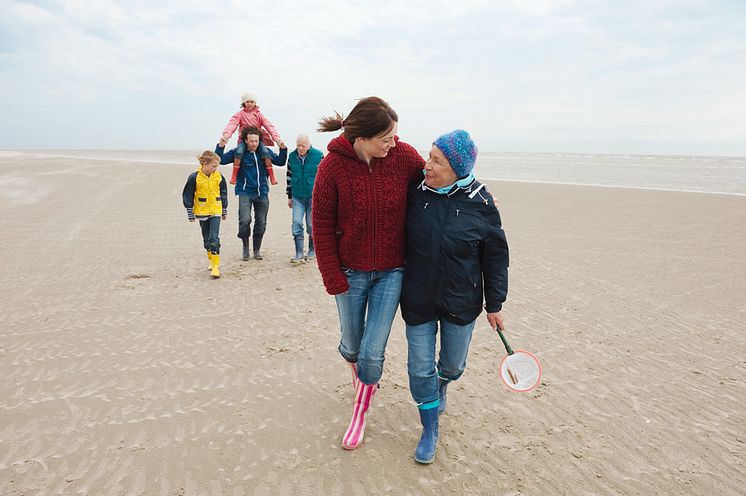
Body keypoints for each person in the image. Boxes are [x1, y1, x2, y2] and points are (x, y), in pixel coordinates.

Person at [312, 96, 425, 450]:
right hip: (349, 272)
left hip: (392, 271)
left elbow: (436, 181)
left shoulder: (404, 157)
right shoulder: (332, 166)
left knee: (372, 353)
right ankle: (359, 371)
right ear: (362, 137)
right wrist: (333, 277)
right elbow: (321, 225)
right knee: (352, 344)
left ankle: (360, 412)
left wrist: (476, 195)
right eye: (385, 138)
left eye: (394, 136)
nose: (393, 144)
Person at [400, 129, 509, 464]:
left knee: (453, 365)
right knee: (420, 371)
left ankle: (444, 383)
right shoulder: (415, 193)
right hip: (418, 296)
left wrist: (495, 304)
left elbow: (495, 258)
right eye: (429, 156)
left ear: (458, 169)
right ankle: (430, 429)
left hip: (461, 301)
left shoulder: (483, 204)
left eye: (437, 161)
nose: (427, 166)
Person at [216, 126, 287, 261]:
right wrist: (221, 145)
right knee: (244, 220)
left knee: (261, 222)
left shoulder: (264, 153)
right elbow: (221, 159)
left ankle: (256, 250)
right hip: (245, 192)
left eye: (256, 141)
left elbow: (280, 161)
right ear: (246, 141)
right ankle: (245, 248)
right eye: (251, 141)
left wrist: (283, 148)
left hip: (262, 193)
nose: (254, 144)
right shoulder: (238, 152)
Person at [221, 91, 285, 186]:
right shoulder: (240, 114)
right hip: (244, 140)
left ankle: (272, 176)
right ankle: (234, 175)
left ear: (255, 103)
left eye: (252, 102)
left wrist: (277, 138)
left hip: (257, 139)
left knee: (266, 153)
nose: (250, 104)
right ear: (244, 103)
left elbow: (269, 126)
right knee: (239, 152)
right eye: (247, 102)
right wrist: (226, 135)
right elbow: (232, 124)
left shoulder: (259, 114)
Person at [181, 150, 228, 278]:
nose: (215, 169)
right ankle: (210, 258)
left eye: (217, 166)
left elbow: (223, 192)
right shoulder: (194, 177)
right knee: (206, 238)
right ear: (205, 164)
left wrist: (224, 209)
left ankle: (215, 266)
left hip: (216, 211)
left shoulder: (219, 176)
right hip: (202, 211)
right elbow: (188, 194)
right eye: (213, 166)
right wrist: (189, 211)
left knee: (214, 237)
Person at [285, 134, 323, 263]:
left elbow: (324, 178)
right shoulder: (291, 156)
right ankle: (299, 253)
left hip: (313, 197)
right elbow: (289, 177)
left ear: (308, 145)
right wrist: (289, 196)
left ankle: (312, 250)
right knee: (296, 222)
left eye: (303, 146)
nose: (300, 148)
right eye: (298, 145)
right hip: (297, 197)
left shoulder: (319, 156)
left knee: (311, 225)